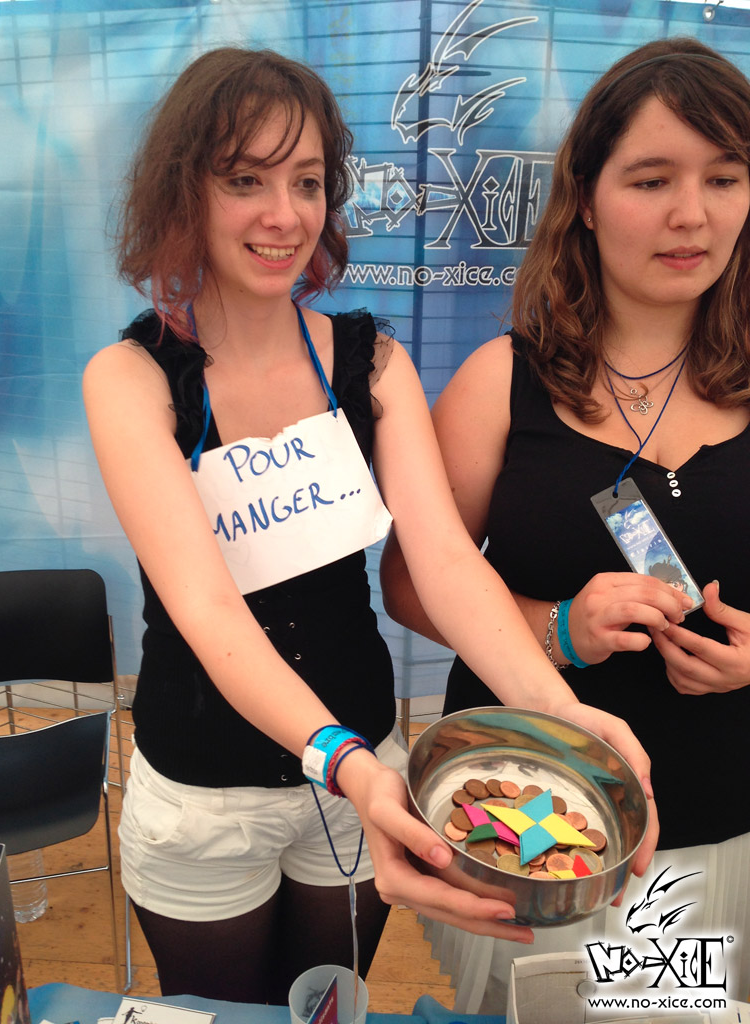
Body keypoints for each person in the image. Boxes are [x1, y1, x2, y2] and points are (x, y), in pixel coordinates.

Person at [84, 47, 657, 1005]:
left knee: (328, 1002)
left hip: (364, 776)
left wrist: (562, 712)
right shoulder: (132, 379)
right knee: (219, 1012)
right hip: (207, 790)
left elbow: (444, 561)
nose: (284, 214)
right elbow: (206, 607)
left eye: (307, 182)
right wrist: (344, 763)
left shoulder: (372, 363)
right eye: (245, 180)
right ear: (185, 192)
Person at [381, 36, 750, 1010]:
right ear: (584, 198)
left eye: (724, 177)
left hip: (731, 826)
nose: (692, 213)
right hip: (536, 828)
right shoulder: (500, 382)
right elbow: (410, 582)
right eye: (652, 179)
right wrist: (555, 629)